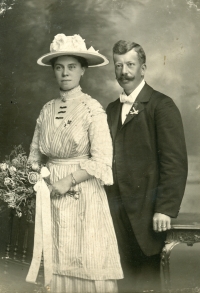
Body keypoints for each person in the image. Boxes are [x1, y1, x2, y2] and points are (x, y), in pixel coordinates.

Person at [27, 34, 123, 293]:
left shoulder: (93, 109)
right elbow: (34, 157)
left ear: (83, 70)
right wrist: (39, 179)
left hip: (83, 195)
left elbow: (103, 161)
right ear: (53, 72)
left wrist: (67, 181)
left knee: (85, 259)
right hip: (50, 195)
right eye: (59, 67)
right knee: (56, 258)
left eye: (71, 67)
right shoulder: (46, 110)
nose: (65, 73)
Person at [105, 40, 188, 293]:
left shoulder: (162, 105)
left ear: (143, 68)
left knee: (147, 283)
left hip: (147, 214)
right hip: (115, 213)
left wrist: (164, 209)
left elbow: (174, 163)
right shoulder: (110, 109)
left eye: (130, 64)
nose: (124, 72)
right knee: (121, 281)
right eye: (118, 65)